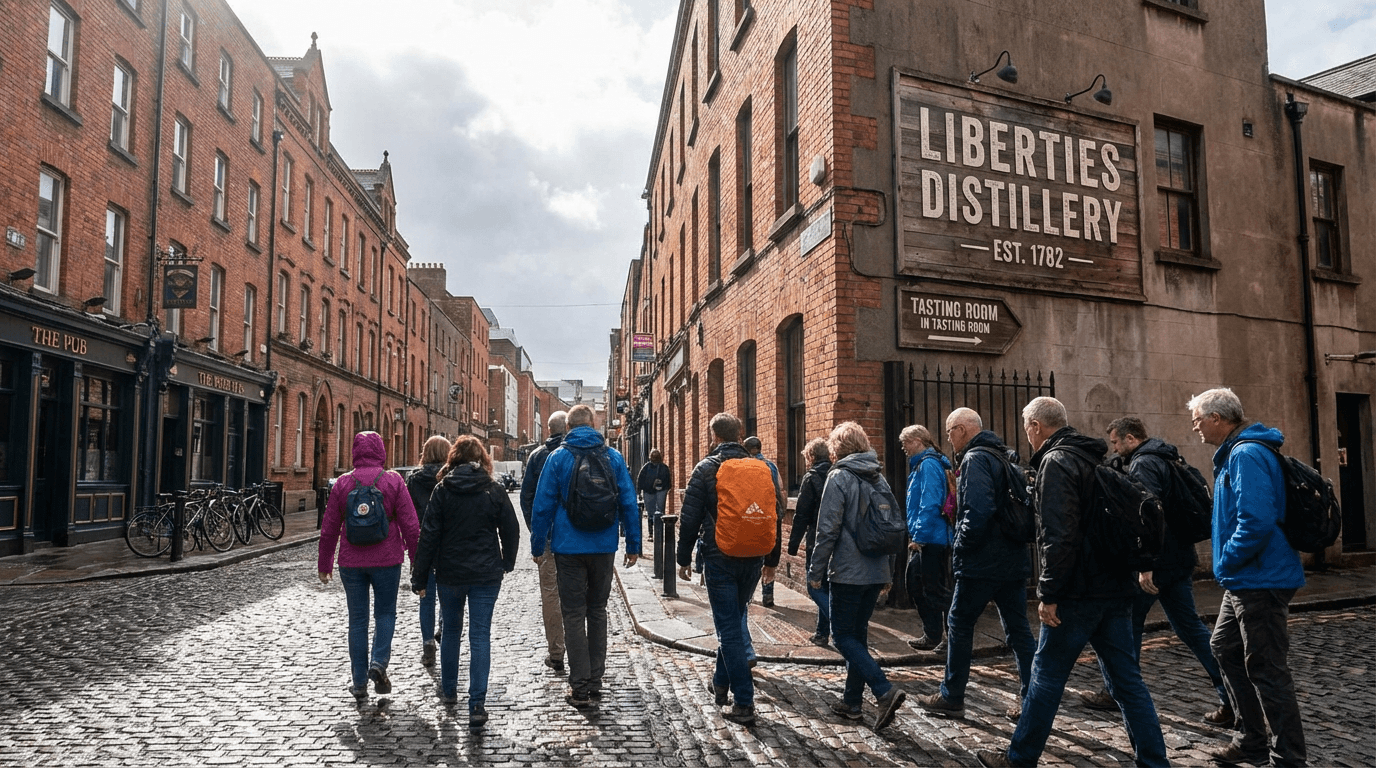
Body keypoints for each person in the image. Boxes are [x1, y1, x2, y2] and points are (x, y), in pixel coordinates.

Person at [976, 397, 1167, 768]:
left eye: (1027, 427)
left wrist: (1049, 592)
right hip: (1114, 587)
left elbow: (1058, 535)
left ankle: (1019, 758)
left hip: (1079, 592)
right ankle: (1155, 761)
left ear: (1035, 427)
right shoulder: (1093, 458)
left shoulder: (1056, 462)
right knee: (1128, 683)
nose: (1027, 435)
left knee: (1046, 676)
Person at [1077, 417, 1232, 726]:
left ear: (1132, 438)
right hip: (1178, 560)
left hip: (1157, 564)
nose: (1115, 448)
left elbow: (1146, 513)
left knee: (1124, 624)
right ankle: (1232, 695)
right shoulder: (1167, 456)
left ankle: (1116, 690)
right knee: (1190, 629)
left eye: (1117, 442)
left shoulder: (1145, 463)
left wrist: (1145, 563)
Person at [1189, 388, 1306, 767]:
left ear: (1218, 419)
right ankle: (1251, 739)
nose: (1195, 427)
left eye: (1199, 419)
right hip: (1246, 577)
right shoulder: (1235, 453)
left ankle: (1288, 757)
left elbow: (1256, 520)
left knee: (1268, 671)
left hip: (1259, 577)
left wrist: (1225, 561)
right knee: (1224, 649)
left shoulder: (1246, 453)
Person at [918, 407, 1035, 723]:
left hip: (982, 561)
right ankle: (1032, 698)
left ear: (960, 430)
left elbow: (977, 512)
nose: (948, 439)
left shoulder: (975, 459)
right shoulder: (1004, 456)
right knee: (1018, 631)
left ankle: (951, 696)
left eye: (948, 432)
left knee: (958, 623)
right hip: (1013, 559)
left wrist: (960, 547)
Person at [531, 404, 641, 709]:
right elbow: (630, 504)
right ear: (593, 424)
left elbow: (542, 506)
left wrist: (538, 545)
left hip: (567, 548)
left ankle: (578, 687)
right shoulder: (613, 457)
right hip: (604, 546)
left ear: (568, 427)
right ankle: (595, 681)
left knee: (573, 614)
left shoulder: (558, 457)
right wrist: (633, 544)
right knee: (597, 611)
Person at [676, 413, 783, 726]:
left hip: (720, 556)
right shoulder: (762, 468)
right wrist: (772, 560)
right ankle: (720, 684)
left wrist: (683, 559)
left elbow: (690, 518)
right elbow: (773, 514)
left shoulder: (707, 468)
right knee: (734, 621)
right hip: (754, 556)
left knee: (728, 629)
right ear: (741, 435)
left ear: (714, 436)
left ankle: (744, 701)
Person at [410, 436, 520, 728]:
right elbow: (511, 529)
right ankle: (477, 703)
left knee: (451, 631)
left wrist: (420, 577)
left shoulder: (442, 489)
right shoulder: (493, 489)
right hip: (486, 574)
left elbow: (428, 536)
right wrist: (506, 562)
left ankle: (448, 692)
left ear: (453, 458)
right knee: (480, 635)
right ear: (482, 459)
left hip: (450, 573)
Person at [808, 422, 907, 730]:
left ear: (838, 447)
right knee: (858, 636)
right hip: (876, 570)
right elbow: (892, 528)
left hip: (849, 572)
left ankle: (883, 690)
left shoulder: (838, 477)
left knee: (841, 636)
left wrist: (815, 573)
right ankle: (851, 703)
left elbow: (827, 530)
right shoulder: (878, 476)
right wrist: (888, 571)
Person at [317, 431, 421, 701]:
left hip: (351, 562)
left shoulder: (342, 483)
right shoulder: (393, 481)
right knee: (385, 613)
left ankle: (359, 682)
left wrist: (324, 564)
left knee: (357, 620)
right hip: (387, 559)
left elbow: (328, 529)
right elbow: (411, 526)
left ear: (355, 451)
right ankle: (379, 662)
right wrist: (417, 563)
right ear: (380, 451)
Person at [521, 410, 568, 673]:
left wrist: (536, 532)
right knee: (576, 594)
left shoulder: (538, 456)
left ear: (547, 430)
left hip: (548, 536)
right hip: (577, 537)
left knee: (550, 594)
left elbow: (527, 498)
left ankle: (556, 652)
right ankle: (580, 653)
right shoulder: (576, 452)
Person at [899, 424, 953, 653]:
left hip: (932, 538)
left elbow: (929, 503)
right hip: (929, 536)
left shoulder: (928, 464)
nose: (903, 448)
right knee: (917, 585)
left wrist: (919, 537)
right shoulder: (924, 464)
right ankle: (932, 635)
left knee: (935, 589)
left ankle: (950, 637)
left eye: (905, 443)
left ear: (918, 441)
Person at [406, 435, 452, 668]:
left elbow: (409, 517)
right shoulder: (449, 478)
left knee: (425, 597)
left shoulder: (413, 480)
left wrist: (410, 547)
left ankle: (427, 644)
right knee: (447, 595)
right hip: (447, 546)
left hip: (422, 546)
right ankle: (443, 630)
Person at [787, 437, 833, 647]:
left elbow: (801, 515)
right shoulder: (836, 473)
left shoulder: (811, 477)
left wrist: (793, 544)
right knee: (827, 586)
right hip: (836, 539)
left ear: (812, 456)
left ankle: (837, 622)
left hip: (816, 538)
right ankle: (821, 632)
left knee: (814, 585)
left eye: (806, 456)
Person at [743, 436, 787, 608]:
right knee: (770, 558)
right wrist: (780, 513)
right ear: (760, 448)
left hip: (749, 517)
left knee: (751, 557)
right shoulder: (771, 466)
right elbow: (781, 491)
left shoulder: (743, 468)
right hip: (770, 518)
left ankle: (748, 595)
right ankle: (767, 594)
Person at [637, 449, 672, 542]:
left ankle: (659, 532)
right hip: (649, 492)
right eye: (653, 455)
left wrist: (663, 486)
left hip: (661, 491)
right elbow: (640, 480)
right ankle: (651, 533)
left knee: (660, 512)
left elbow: (668, 480)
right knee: (650, 513)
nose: (655, 457)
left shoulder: (664, 468)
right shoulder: (646, 467)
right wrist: (640, 491)